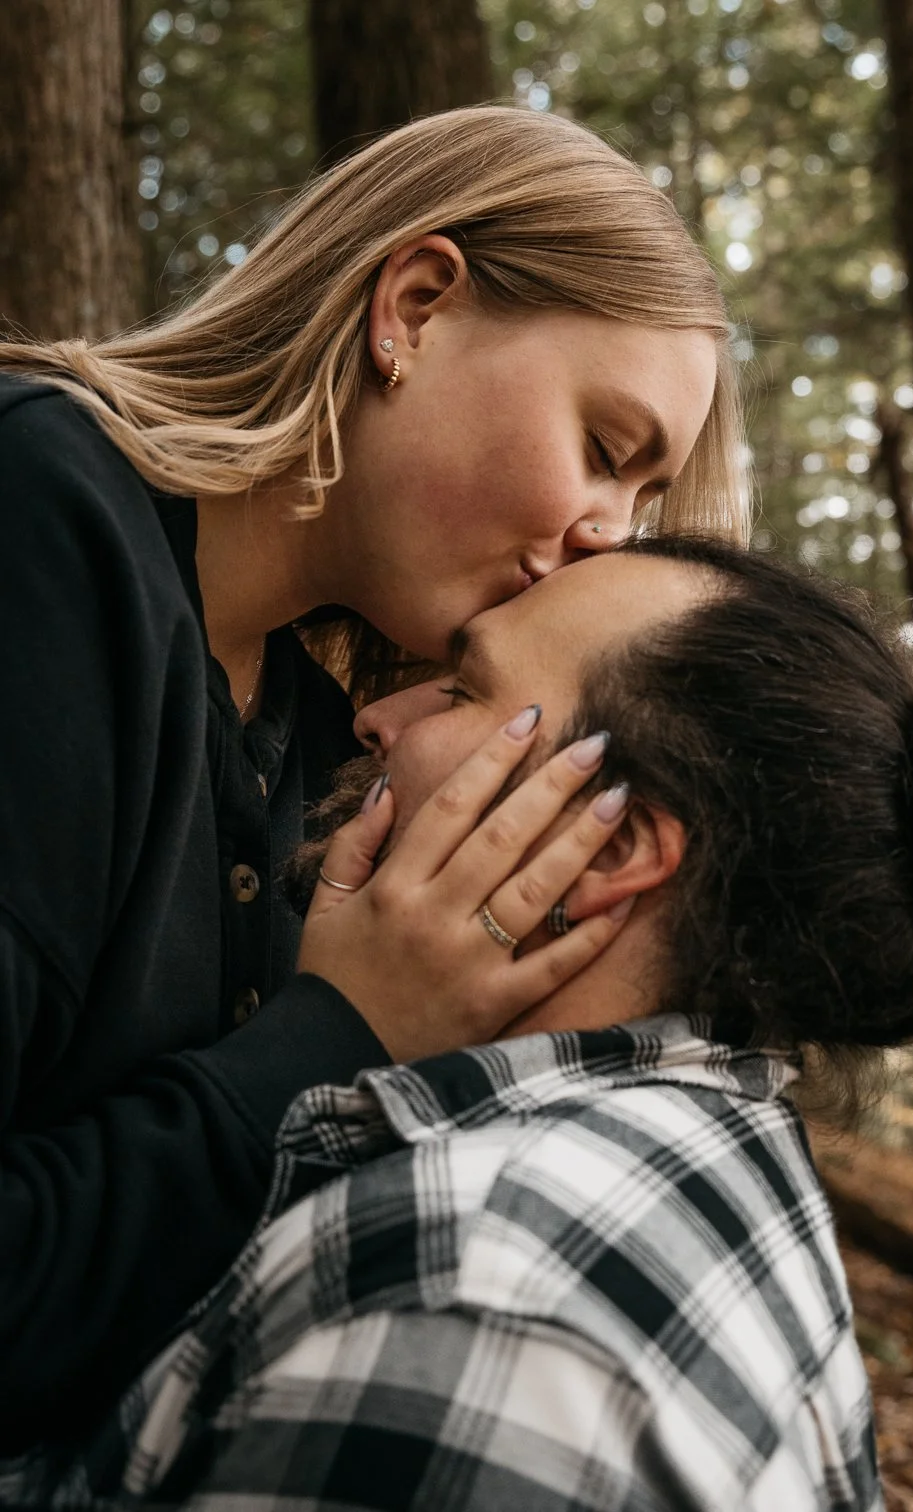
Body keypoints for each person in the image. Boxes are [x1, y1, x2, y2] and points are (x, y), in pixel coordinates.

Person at [9, 537, 913, 1510]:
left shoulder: (476, 1308)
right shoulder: (706, 1153)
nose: (381, 718)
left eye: (465, 691)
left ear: (609, 852)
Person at [0, 106, 744, 1452]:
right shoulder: (39, 526)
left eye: (643, 499)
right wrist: (337, 1037)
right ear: (413, 307)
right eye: (605, 446)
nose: (604, 539)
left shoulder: (311, 725)